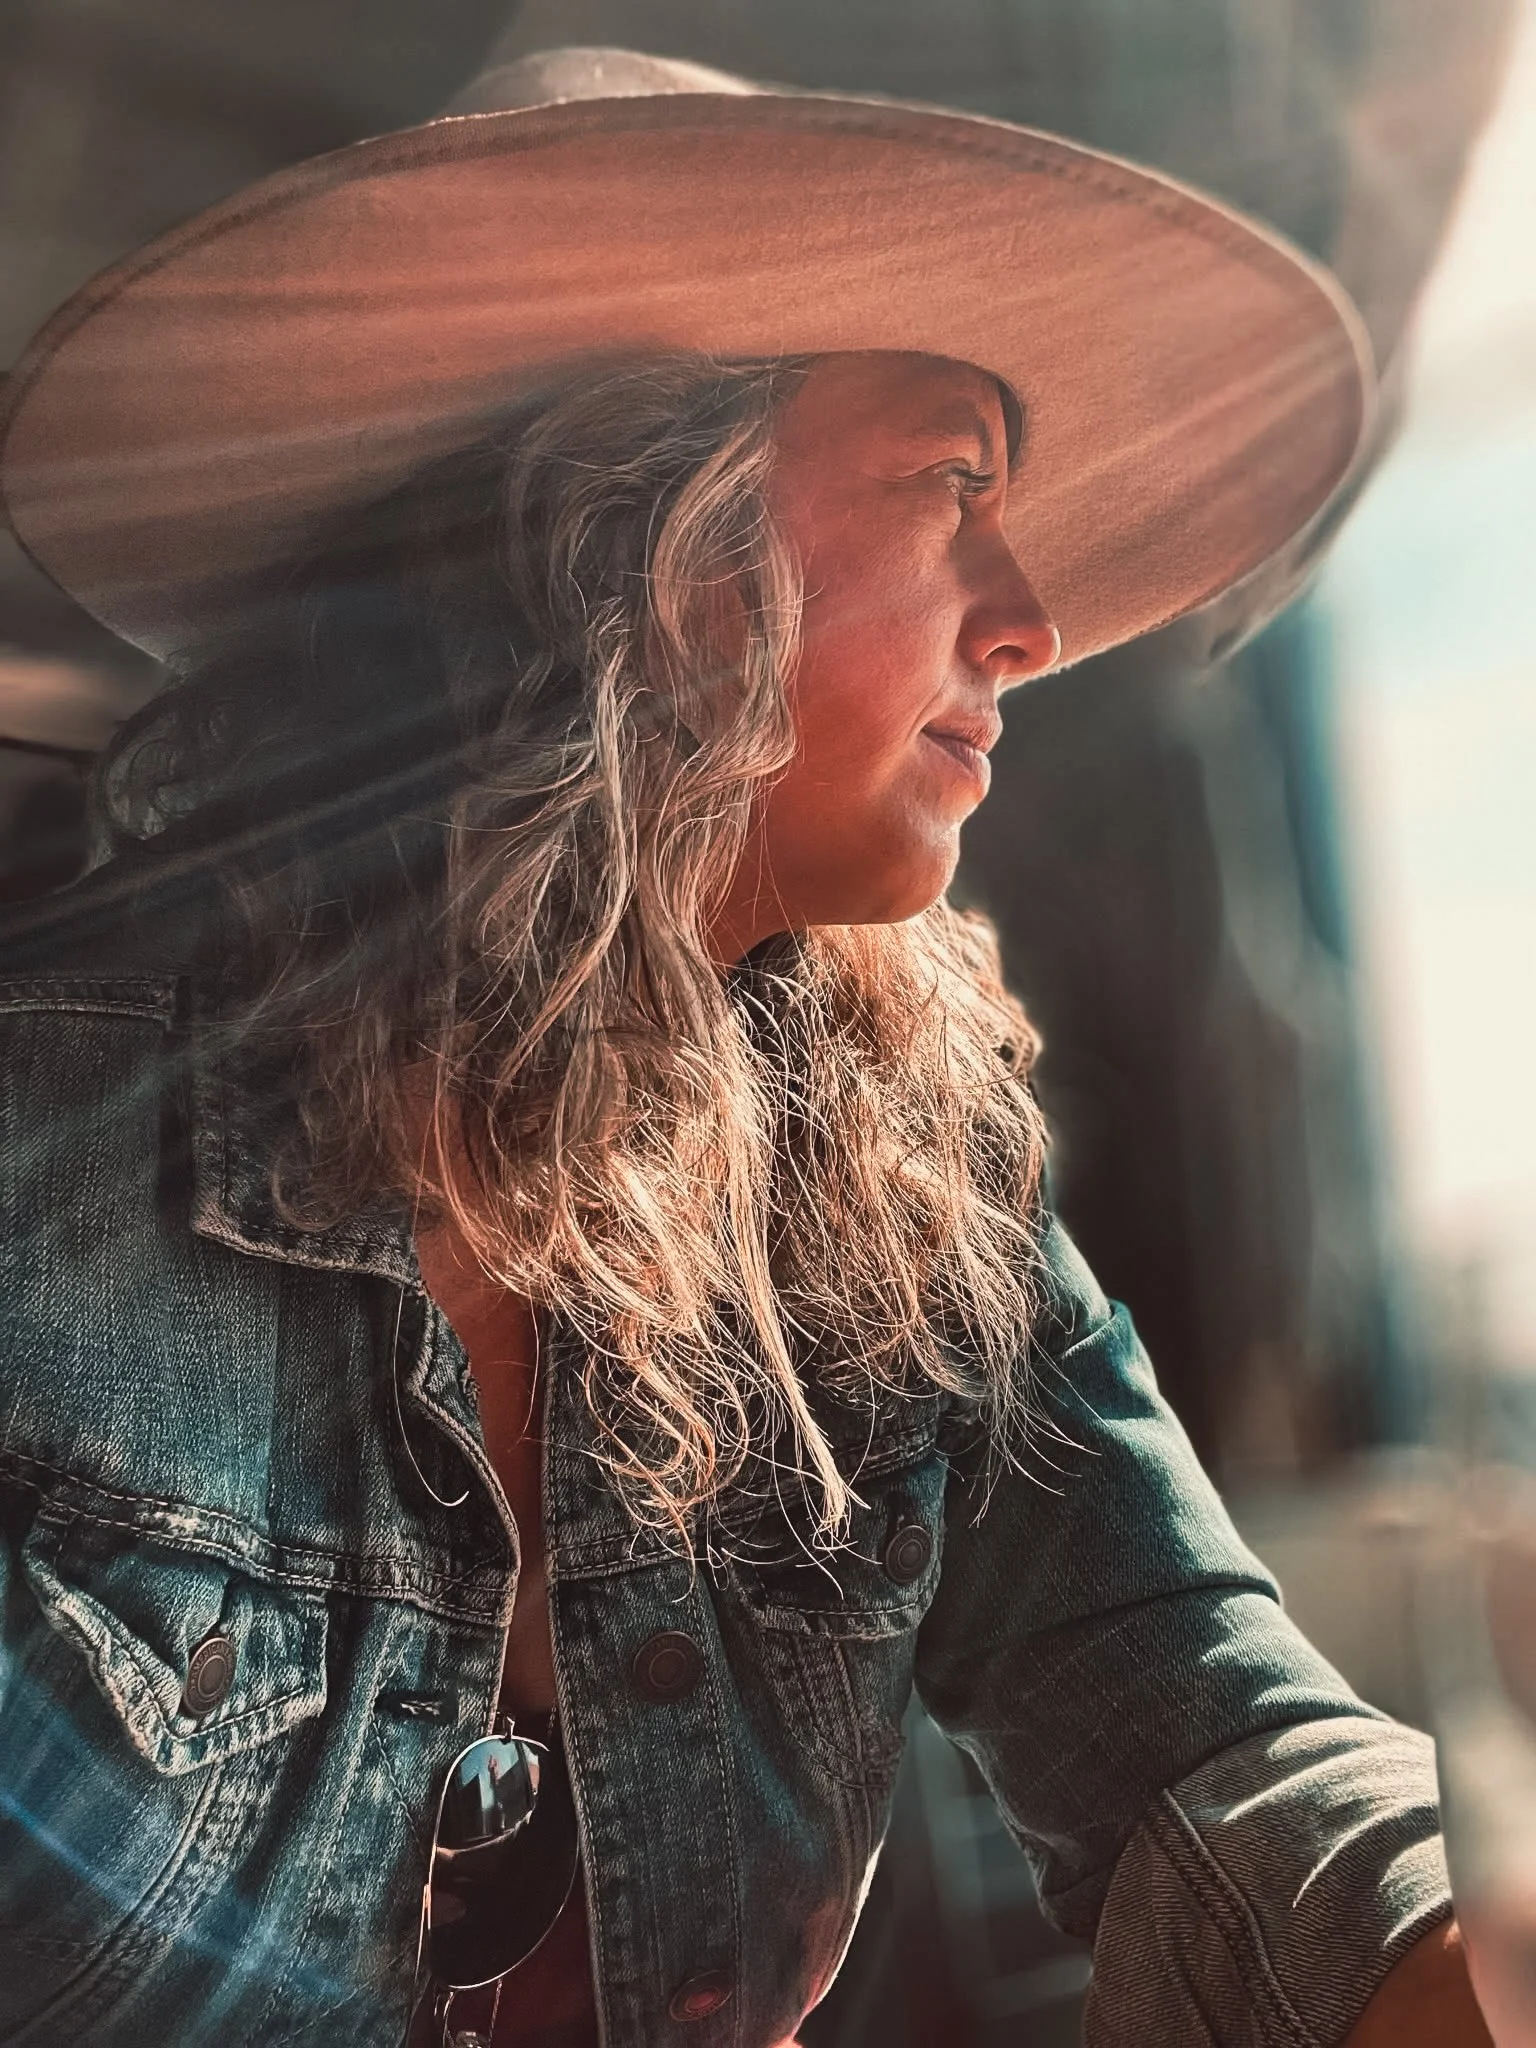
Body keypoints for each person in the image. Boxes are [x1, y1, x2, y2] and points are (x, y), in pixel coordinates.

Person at [0, 42, 1491, 2048]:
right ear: (669, 553)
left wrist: (1467, 1956)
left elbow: (1205, 1750)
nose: (1030, 616)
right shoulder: (47, 1125)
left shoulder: (905, 1186)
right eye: (956, 487)